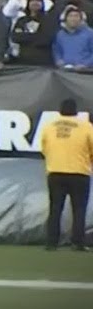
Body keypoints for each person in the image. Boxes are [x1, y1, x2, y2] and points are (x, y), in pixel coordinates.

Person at [39, 98, 93, 251]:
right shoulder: (86, 126)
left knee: (55, 208)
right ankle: (78, 243)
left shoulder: (49, 126)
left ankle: (51, 243)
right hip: (79, 173)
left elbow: (43, 148)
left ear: (60, 111)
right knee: (79, 210)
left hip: (55, 172)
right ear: (76, 111)